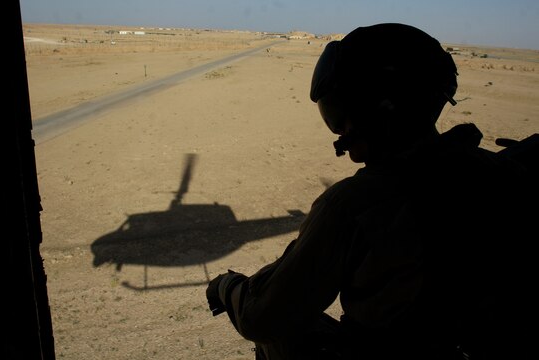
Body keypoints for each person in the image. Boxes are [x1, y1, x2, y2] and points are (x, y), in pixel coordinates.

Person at [206, 23, 536, 360]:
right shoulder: (504, 174)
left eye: (341, 112)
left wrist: (225, 286)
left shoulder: (354, 205)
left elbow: (264, 317)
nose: (341, 128)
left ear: (375, 109)